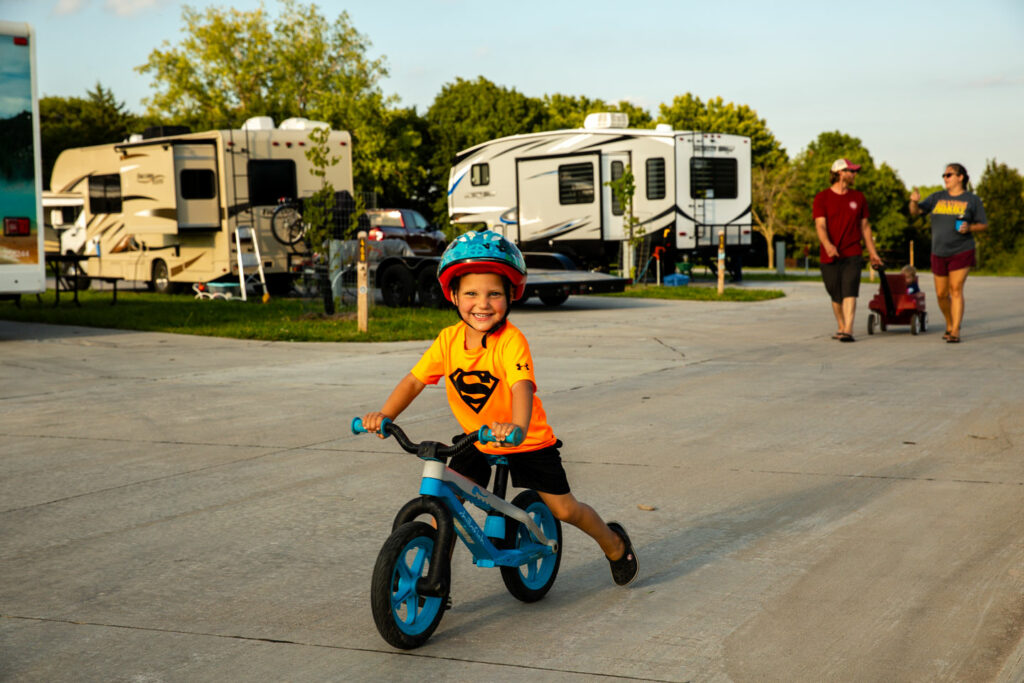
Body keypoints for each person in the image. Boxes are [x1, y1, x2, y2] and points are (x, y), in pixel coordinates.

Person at [360, 230, 639, 586]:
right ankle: (434, 579)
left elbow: (521, 386)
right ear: (454, 295)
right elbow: (415, 381)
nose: (483, 303)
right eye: (472, 293)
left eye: (494, 294)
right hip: (477, 438)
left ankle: (614, 543)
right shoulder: (448, 341)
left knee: (565, 509)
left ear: (510, 296)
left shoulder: (511, 341)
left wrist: (518, 426)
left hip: (527, 440)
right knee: (443, 505)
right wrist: (386, 415)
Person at [909, 163, 988, 343]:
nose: (945, 178)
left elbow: (983, 224)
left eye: (949, 175)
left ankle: (955, 332)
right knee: (941, 294)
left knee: (956, 289)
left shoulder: (972, 200)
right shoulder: (936, 197)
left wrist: (971, 227)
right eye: (943, 175)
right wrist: (913, 201)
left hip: (962, 250)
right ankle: (950, 323)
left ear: (961, 177)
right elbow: (916, 212)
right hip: (938, 251)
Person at [813, 158, 884, 342]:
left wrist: (873, 253)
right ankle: (841, 326)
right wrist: (828, 245)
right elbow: (820, 226)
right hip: (829, 255)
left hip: (852, 252)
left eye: (855, 171)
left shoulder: (858, 197)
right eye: (851, 171)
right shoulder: (822, 198)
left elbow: (865, 227)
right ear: (839, 173)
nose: (854, 175)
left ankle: (848, 330)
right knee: (835, 293)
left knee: (850, 290)